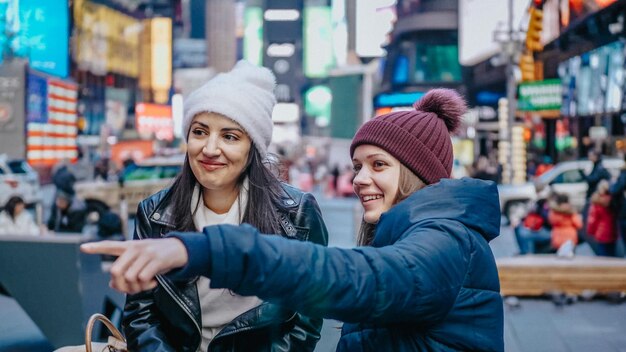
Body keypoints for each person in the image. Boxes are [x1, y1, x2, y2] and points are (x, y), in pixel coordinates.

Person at [83, 89, 504, 351]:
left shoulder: (446, 240)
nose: (359, 179)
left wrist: (200, 248)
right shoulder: (407, 234)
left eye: (379, 165)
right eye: (357, 165)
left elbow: (347, 280)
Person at [94, 61, 328, 352]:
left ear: (252, 147)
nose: (210, 149)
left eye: (229, 136)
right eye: (200, 132)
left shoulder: (297, 212)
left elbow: (306, 321)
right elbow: (141, 314)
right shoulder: (155, 212)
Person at [587, 180, 618, 257]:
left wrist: (590, 231)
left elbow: (592, 220)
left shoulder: (596, 202)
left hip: (601, 233)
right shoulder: (613, 200)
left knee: (602, 258)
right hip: (613, 232)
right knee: (612, 256)